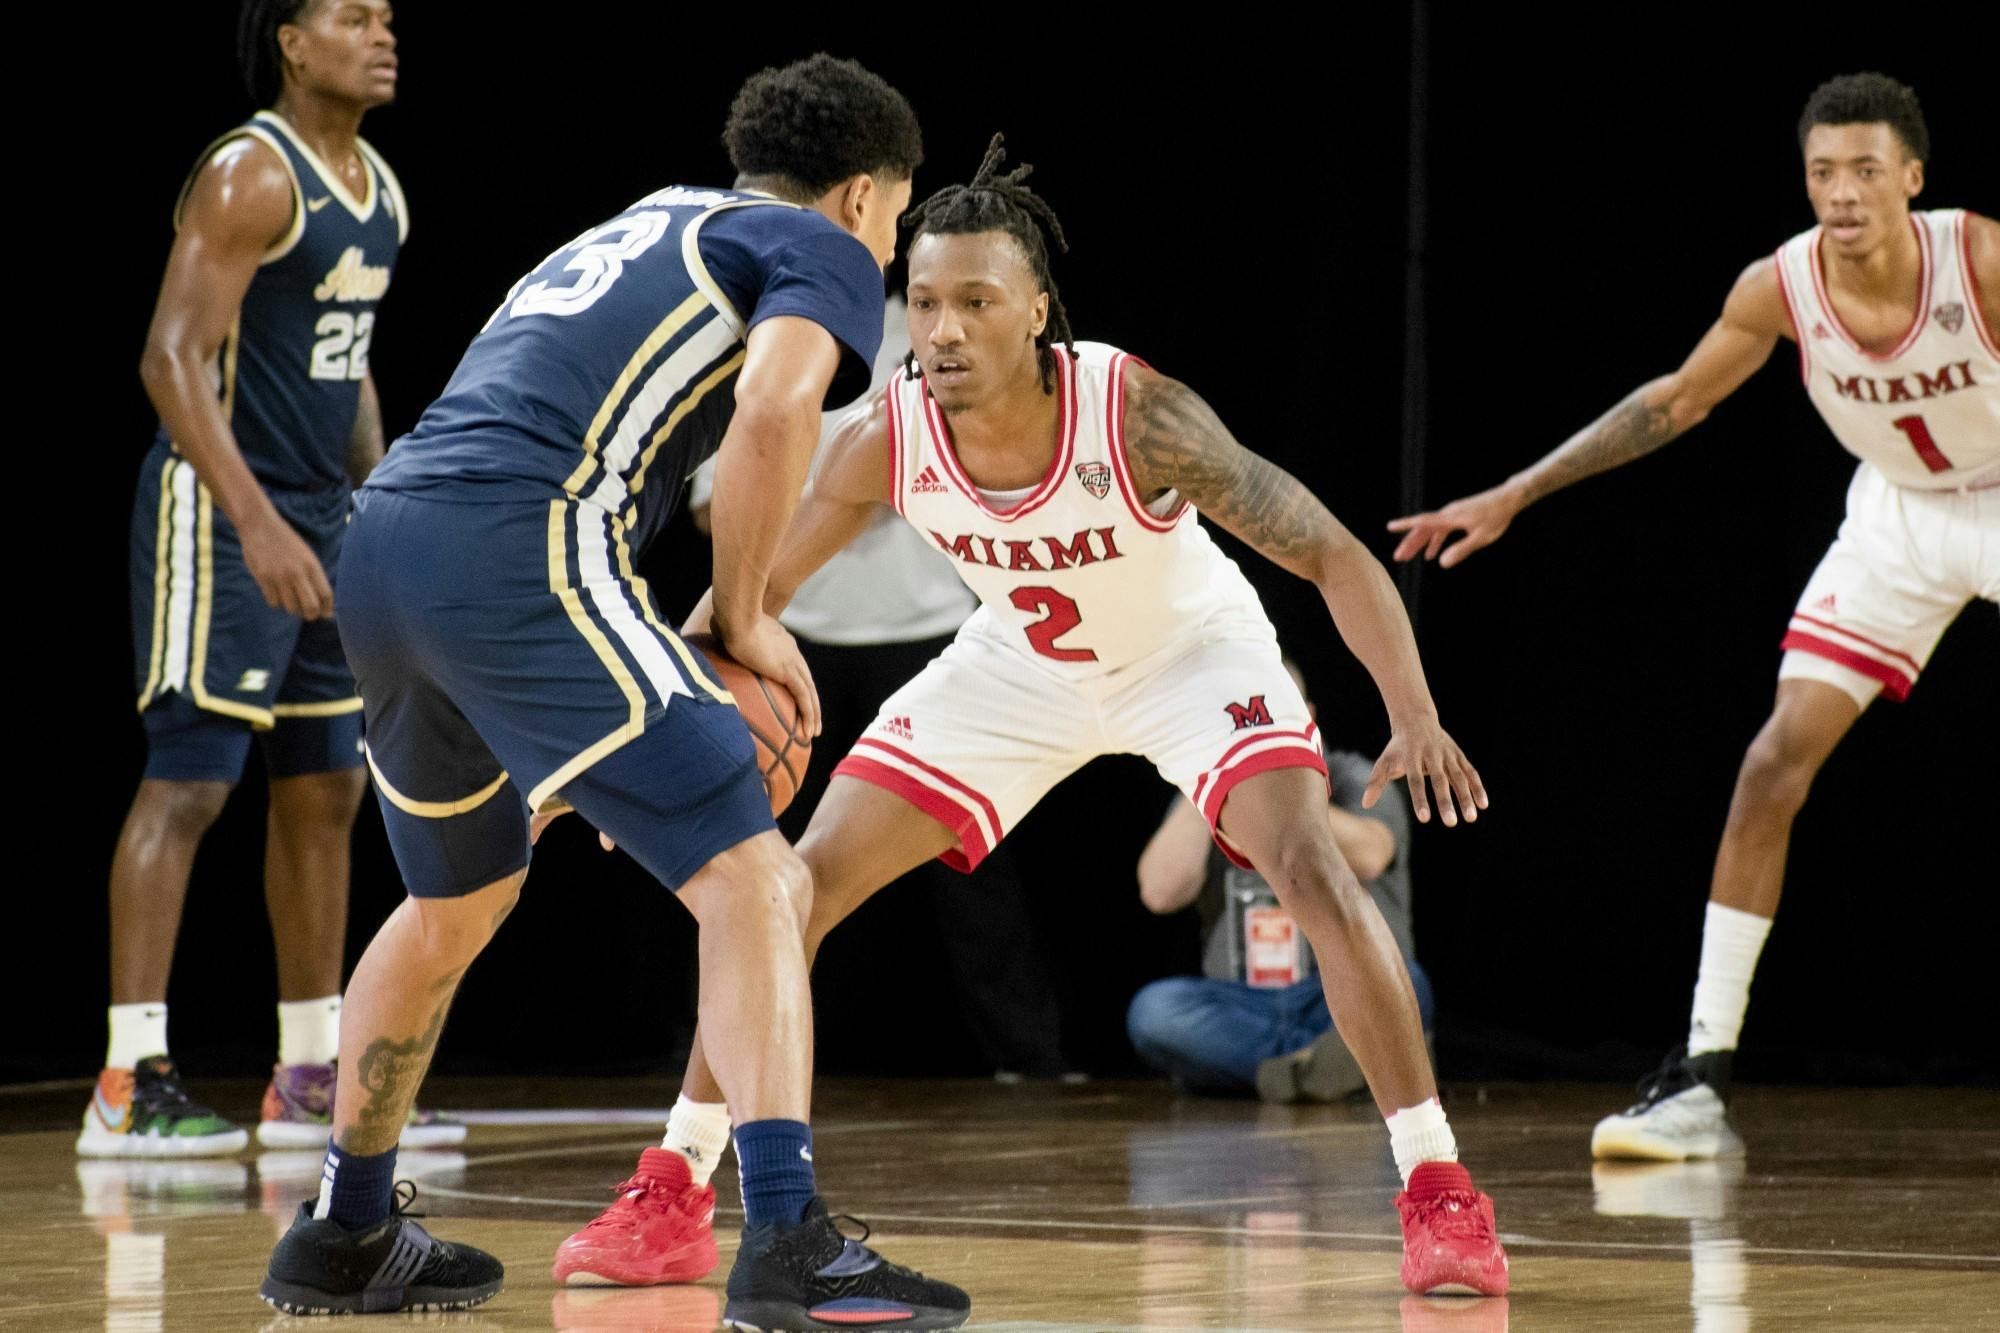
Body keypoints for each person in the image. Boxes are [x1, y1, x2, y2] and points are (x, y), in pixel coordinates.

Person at [576, 135, 1510, 1300]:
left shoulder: (1141, 417)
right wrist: (654, 742)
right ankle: (675, 1186)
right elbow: (749, 594)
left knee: (1311, 864)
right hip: (1019, 666)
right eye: (921, 301)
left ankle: (1438, 1192)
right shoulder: (884, 435)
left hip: (1190, 655)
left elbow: (1326, 550)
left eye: (975, 300)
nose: (943, 328)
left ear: (1035, 312)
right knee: (789, 890)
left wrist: (1411, 713)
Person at [258, 55, 970, 1329]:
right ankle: (790, 1241)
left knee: (450, 902)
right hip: (514, 543)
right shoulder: (820, 250)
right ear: (863, 195)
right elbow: (774, 409)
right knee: (755, 874)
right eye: (899, 214)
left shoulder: (645, 216)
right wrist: (745, 613)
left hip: (387, 544)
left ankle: (344, 1231)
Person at [1386, 72, 1996, 1161]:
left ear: (1912, 176)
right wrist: (1513, 493)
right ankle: (1699, 1076)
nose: (1842, 193)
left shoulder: (1978, 263)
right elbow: (1671, 399)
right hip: (1897, 515)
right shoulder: (1779, 286)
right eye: (1822, 172)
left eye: (1865, 170)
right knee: (1771, 762)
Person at [96, 0, 456, 1159]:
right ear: (292, 41)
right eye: (353, 15)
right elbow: (169, 356)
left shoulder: (382, 192)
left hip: (322, 516)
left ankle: (310, 1072)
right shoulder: (253, 172)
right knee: (191, 782)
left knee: (325, 788)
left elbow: (342, 370)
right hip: (221, 507)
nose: (383, 30)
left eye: (387, 15)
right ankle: (126, 1080)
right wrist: (253, 522)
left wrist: (382, 508)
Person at [687, 299, 1070, 1082]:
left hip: (929, 625)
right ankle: (732, 1056)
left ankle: (1028, 1058)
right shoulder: (756, 343)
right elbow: (706, 502)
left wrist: (869, 492)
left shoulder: (928, 332)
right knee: (747, 851)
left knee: (971, 855)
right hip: (794, 632)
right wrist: (831, 502)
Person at [1127, 659, 1431, 1102]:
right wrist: (1216, 779)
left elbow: (1369, 854)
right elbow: (1159, 890)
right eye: (1242, 715)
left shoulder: (1352, 775)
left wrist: (1276, 795)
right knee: (1154, 1014)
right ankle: (1314, 1067)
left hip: (1335, 993)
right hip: (1243, 1003)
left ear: (1305, 716)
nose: (1255, 725)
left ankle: (1306, 1065)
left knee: (1408, 984)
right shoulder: (1207, 788)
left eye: (1269, 711)